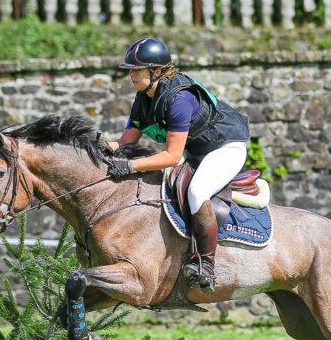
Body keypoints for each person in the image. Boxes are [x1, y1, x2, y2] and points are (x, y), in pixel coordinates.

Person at [105, 37, 250, 294]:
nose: (131, 75)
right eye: (130, 70)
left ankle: (206, 264)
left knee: (197, 192)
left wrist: (130, 166)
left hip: (225, 147)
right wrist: (104, 148)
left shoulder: (179, 99)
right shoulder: (143, 97)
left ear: (157, 71)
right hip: (198, 151)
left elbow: (172, 156)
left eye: (136, 70)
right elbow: (127, 141)